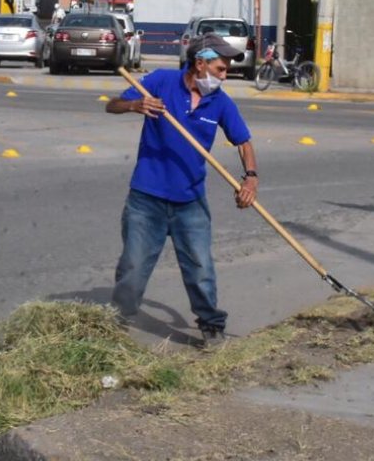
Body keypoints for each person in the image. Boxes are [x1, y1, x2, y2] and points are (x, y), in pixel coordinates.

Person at [104, 33, 259, 347]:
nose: (224, 76)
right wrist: (136, 104)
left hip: (190, 201)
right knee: (133, 266)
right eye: (220, 69)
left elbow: (243, 141)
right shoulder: (161, 81)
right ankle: (116, 323)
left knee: (201, 268)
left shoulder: (220, 102)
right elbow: (112, 105)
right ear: (199, 64)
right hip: (146, 198)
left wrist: (251, 178)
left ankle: (212, 325)